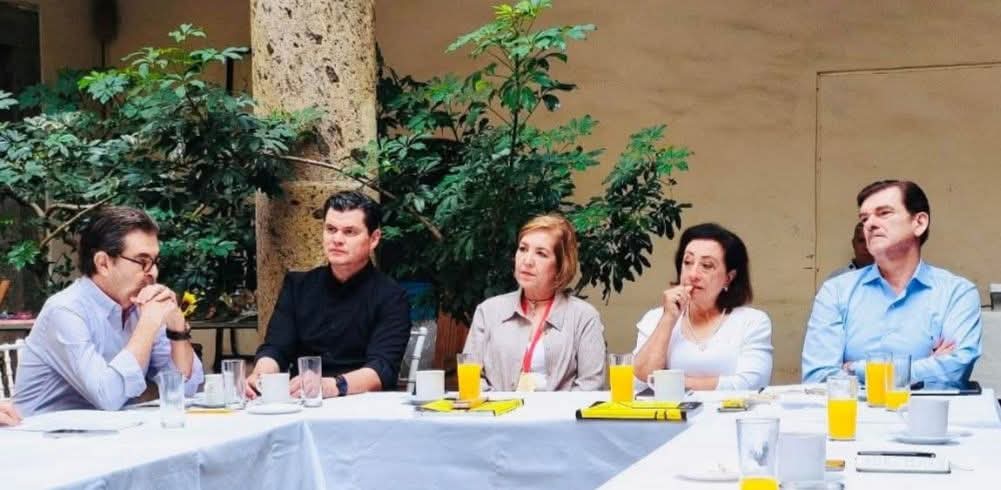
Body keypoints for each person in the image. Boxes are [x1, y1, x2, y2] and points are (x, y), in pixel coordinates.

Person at [14, 207, 203, 416]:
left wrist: (177, 328)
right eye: (142, 262)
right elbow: (108, 396)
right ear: (103, 263)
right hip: (42, 432)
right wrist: (148, 325)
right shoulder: (65, 310)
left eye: (155, 261)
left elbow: (184, 388)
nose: (154, 272)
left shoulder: (141, 307)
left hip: (112, 431)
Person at [802, 180, 982, 387]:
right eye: (864, 218)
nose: (870, 224)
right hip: (856, 409)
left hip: (928, 408)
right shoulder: (836, 291)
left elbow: (952, 371)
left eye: (884, 213)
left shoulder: (956, 292)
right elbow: (819, 377)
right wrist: (925, 367)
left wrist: (854, 369)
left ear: (919, 223)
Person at [247, 191, 410, 399]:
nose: (337, 239)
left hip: (361, 404)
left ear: (374, 238)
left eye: (349, 232)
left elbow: (382, 368)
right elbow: (276, 349)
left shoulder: (391, 296)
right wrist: (260, 375)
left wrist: (333, 385)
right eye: (331, 229)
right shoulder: (298, 286)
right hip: (302, 403)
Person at [462, 214, 607, 391]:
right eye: (523, 249)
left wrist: (550, 408)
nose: (527, 261)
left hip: (561, 410)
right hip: (497, 409)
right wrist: (503, 405)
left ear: (560, 267)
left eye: (541, 254)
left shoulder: (584, 316)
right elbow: (471, 377)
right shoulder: (488, 311)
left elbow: (591, 384)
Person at [633, 223, 772, 391]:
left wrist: (671, 382)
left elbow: (752, 383)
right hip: (670, 409)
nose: (693, 274)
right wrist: (668, 319)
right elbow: (639, 381)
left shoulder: (752, 321)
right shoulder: (656, 318)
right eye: (687, 262)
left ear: (729, 277)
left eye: (706, 265)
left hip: (729, 409)